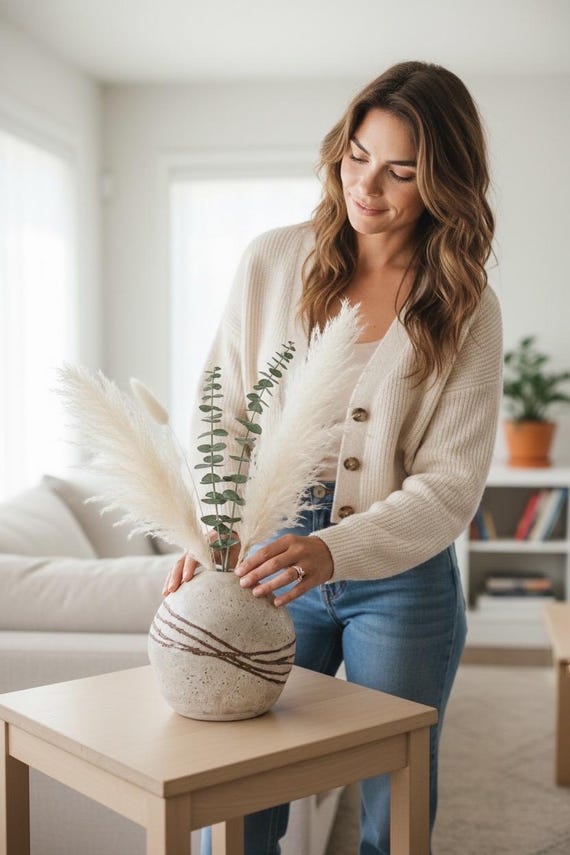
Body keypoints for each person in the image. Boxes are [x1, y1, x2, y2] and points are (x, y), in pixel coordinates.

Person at [163, 60, 503, 855]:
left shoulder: (464, 305)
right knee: (241, 785)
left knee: (395, 798)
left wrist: (333, 549)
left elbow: (450, 486)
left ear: (444, 182)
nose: (367, 187)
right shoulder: (273, 261)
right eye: (356, 156)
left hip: (401, 574)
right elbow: (225, 412)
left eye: (400, 172)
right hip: (265, 562)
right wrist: (210, 535)